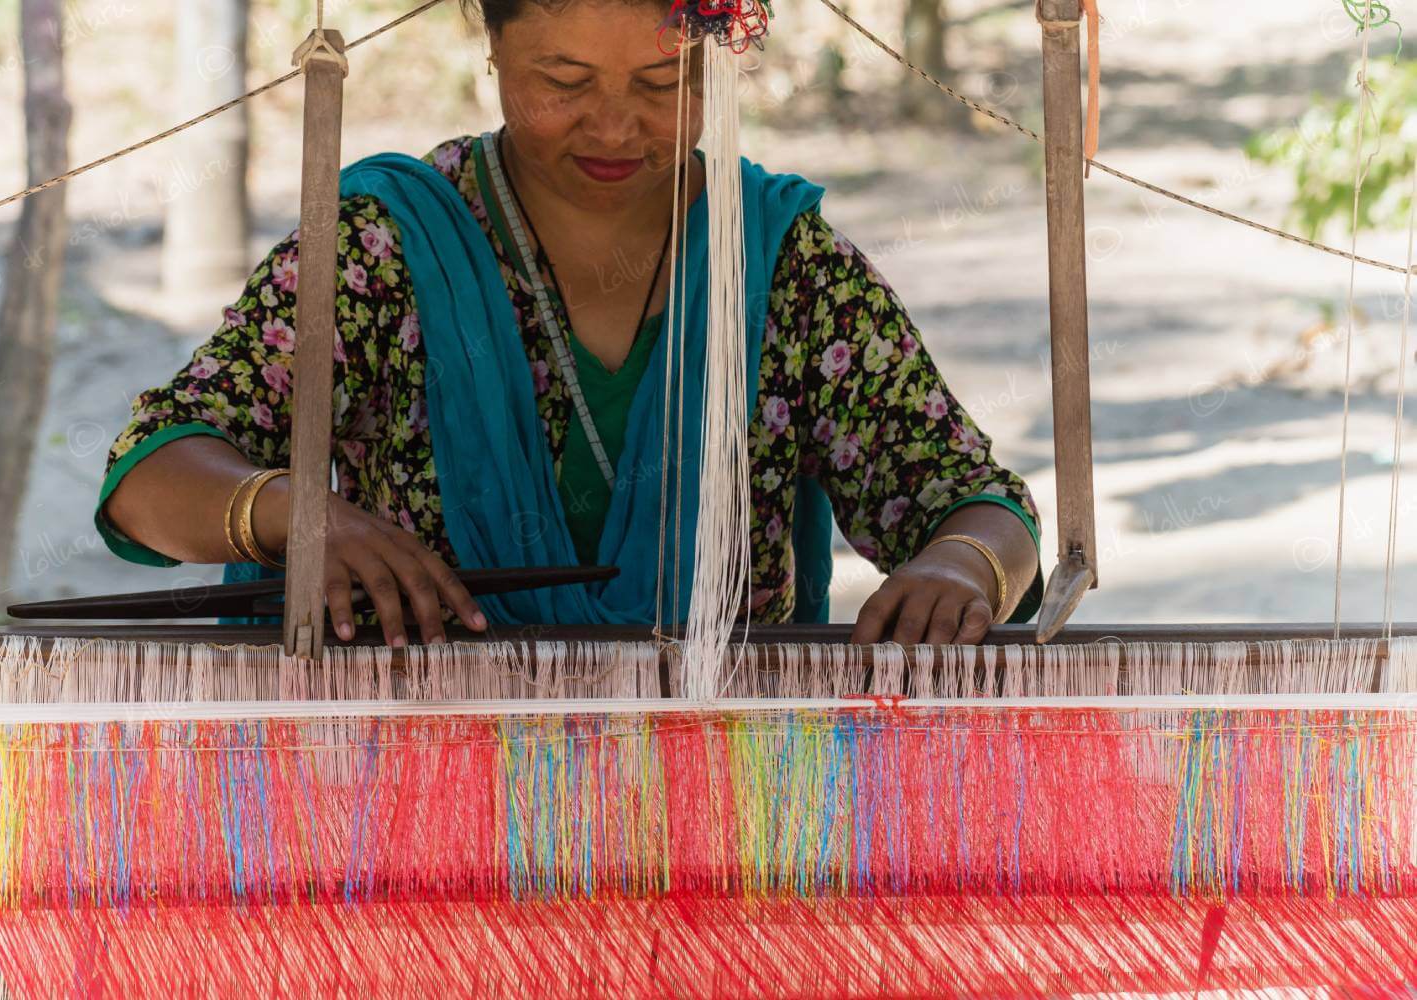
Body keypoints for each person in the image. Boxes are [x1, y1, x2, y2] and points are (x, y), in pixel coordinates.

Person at [96, 0, 1043, 649]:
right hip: (419, 828)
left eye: (666, 85)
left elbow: (978, 505)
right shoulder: (381, 251)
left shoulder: (779, 267)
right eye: (565, 78)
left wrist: (960, 569)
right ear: (494, 43)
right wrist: (294, 515)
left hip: (714, 821)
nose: (615, 126)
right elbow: (151, 475)